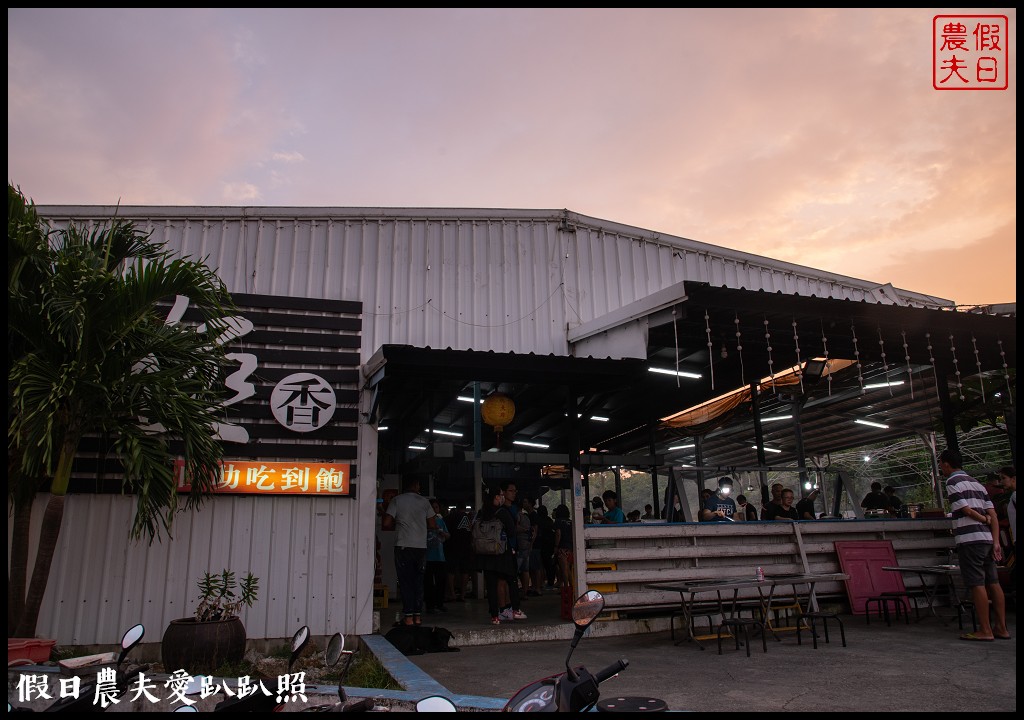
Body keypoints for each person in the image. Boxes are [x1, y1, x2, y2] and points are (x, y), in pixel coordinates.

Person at [938, 448, 1009, 641]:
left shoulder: (952, 481)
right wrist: (995, 541)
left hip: (970, 540)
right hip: (987, 540)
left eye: (941, 465)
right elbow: (993, 515)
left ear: (946, 464)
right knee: (993, 582)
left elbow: (966, 510)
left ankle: (985, 630)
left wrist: (981, 519)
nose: (941, 469)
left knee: (977, 583)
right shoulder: (977, 483)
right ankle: (1001, 628)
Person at [380, 473, 437, 627]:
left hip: (403, 546)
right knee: (418, 582)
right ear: (416, 485)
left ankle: (408, 617)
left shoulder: (397, 500)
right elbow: (432, 524)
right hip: (420, 547)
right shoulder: (425, 502)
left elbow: (386, 522)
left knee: (405, 582)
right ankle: (417, 617)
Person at [476, 486, 526, 625]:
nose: (502, 496)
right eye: (501, 494)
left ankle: (494, 616)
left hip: (486, 554)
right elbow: (511, 531)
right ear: (496, 497)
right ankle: (515, 610)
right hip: (502, 553)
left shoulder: (481, 513)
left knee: (491, 586)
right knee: (512, 580)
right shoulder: (502, 512)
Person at [424, 498, 450, 614]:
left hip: (440, 556)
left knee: (441, 581)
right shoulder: (423, 521)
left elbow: (448, 535)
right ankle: (430, 605)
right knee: (428, 582)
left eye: (436, 507)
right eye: (432, 508)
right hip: (427, 556)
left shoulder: (440, 521)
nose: (434, 510)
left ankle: (439, 603)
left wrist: (442, 533)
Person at [444, 506, 474, 602]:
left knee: (451, 570)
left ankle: (452, 594)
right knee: (465, 571)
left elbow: (446, 531)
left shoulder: (451, 517)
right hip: (466, 547)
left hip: (453, 546)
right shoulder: (468, 518)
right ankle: (463, 595)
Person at [535, 504, 557, 590]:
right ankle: (550, 581)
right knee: (549, 565)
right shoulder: (549, 520)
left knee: (541, 565)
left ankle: (541, 582)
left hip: (541, 544)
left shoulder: (538, 521)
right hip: (550, 545)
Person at [553, 504, 574, 592]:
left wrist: (556, 546)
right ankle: (572, 586)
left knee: (563, 568)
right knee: (568, 568)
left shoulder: (558, 521)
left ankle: (566, 587)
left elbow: (558, 533)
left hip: (562, 547)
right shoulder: (570, 522)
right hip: (570, 547)